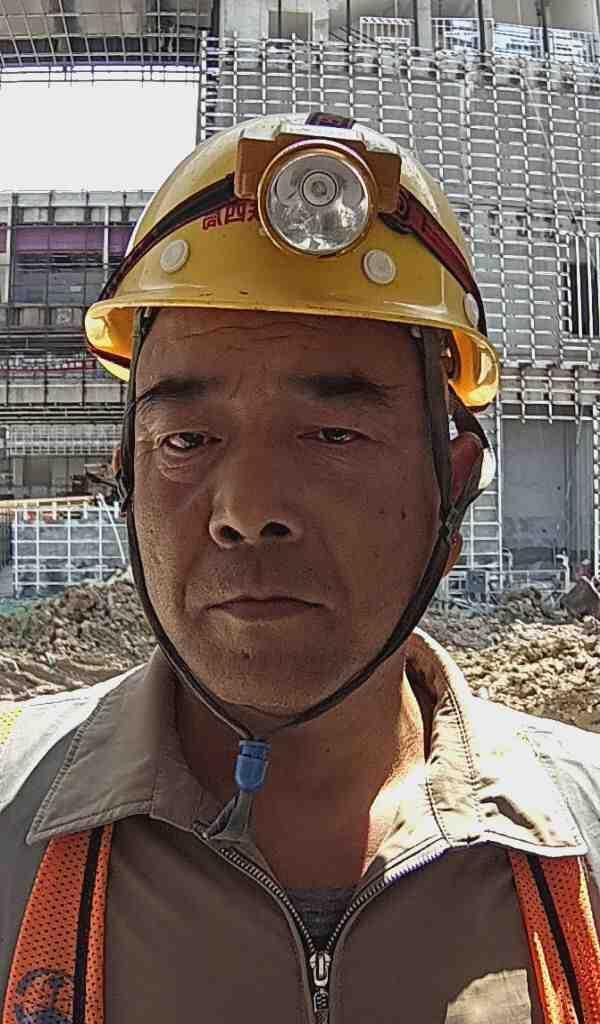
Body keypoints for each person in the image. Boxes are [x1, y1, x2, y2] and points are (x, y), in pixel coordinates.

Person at [2, 112, 600, 1024]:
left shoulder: (579, 840)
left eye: (333, 434)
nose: (247, 510)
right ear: (126, 476)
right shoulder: (16, 819)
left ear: (454, 489)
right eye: (186, 440)